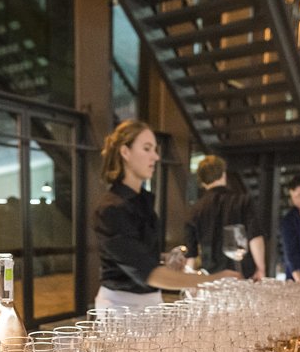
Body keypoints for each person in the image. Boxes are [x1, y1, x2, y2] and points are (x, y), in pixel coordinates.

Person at [93, 120, 239, 311]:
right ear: (125, 152)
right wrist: (212, 280)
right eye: (147, 148)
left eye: (155, 149)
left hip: (151, 301)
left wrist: (163, 259)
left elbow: (135, 254)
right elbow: (146, 272)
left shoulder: (141, 201)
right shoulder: (110, 209)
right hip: (121, 307)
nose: (155, 156)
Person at [183, 155, 266, 279]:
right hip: (241, 273)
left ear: (202, 181)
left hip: (211, 276)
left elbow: (191, 253)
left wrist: (188, 281)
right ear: (223, 174)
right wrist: (261, 268)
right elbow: (254, 236)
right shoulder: (242, 201)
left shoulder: (195, 210)